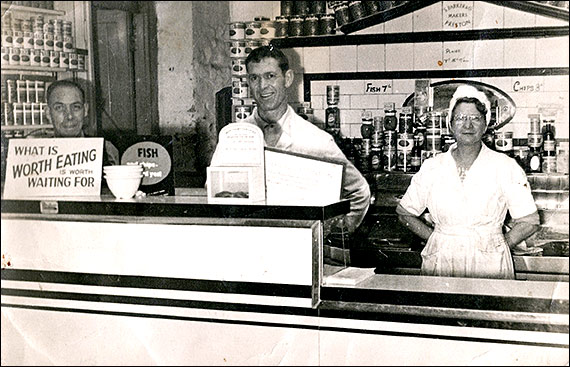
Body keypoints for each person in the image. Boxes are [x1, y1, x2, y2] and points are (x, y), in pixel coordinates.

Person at [211, 45, 370, 233]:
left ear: (287, 78)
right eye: (255, 78)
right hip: (247, 242)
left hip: (298, 246)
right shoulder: (233, 137)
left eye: (270, 76)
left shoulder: (316, 140)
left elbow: (360, 192)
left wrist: (335, 231)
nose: (262, 87)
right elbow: (214, 194)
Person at [396, 85, 540, 279]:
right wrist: (437, 239)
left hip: (489, 262)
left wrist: (498, 243)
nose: (468, 125)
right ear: (451, 124)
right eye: (461, 118)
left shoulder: (505, 166)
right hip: (442, 259)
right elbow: (405, 212)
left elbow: (529, 221)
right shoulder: (432, 167)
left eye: (475, 119)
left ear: (485, 124)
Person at [29, 79, 119, 166]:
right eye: (59, 108)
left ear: (86, 110)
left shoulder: (106, 150)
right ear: (48, 113)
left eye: (76, 107)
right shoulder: (36, 154)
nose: (69, 116)